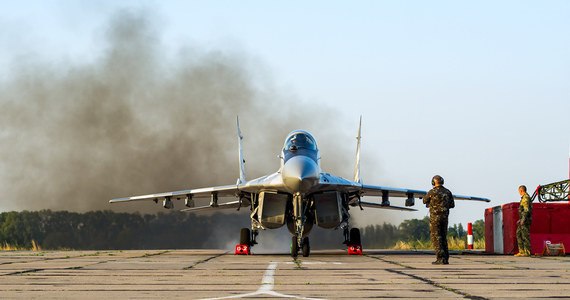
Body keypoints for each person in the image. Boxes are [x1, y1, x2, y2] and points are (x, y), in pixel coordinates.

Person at [423, 175, 455, 265]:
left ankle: (440, 259)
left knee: (436, 238)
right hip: (444, 218)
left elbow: (424, 201)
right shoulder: (448, 192)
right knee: (443, 237)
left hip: (435, 219)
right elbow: (452, 205)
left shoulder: (432, 192)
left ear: (433, 183)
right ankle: (445, 258)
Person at [515, 185, 533, 256]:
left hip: (526, 220)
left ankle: (527, 252)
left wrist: (523, 219)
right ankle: (522, 251)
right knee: (518, 234)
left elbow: (526, 210)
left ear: (521, 190)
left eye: (519, 191)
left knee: (525, 235)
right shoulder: (523, 198)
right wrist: (520, 219)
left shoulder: (526, 198)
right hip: (522, 219)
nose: (519, 192)